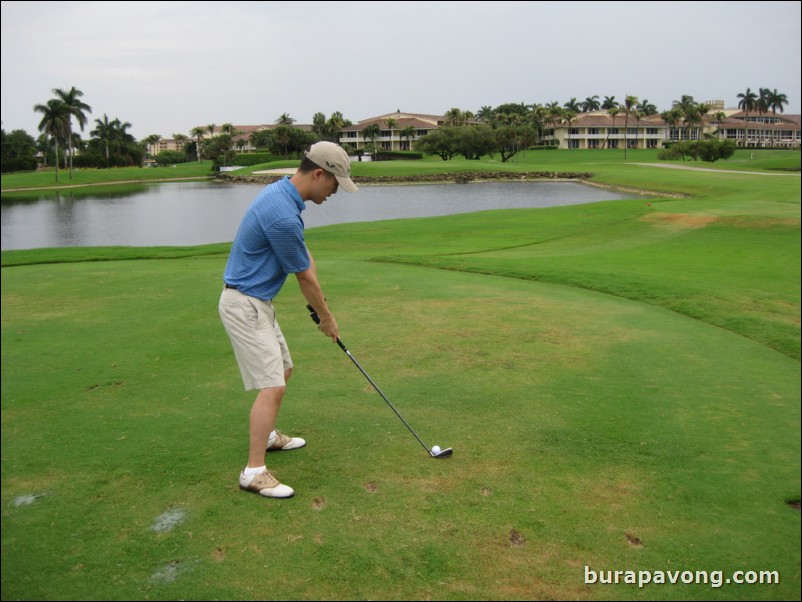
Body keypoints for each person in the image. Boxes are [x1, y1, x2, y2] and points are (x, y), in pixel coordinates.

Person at [219, 141, 358, 499]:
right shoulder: (281, 212)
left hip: (257, 301)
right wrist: (327, 318)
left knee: (282, 371)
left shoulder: (282, 195)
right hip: (244, 304)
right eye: (334, 185)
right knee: (273, 385)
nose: (333, 193)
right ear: (318, 174)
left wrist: (320, 297)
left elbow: (303, 257)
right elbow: (304, 278)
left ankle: (267, 436)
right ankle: (254, 471)